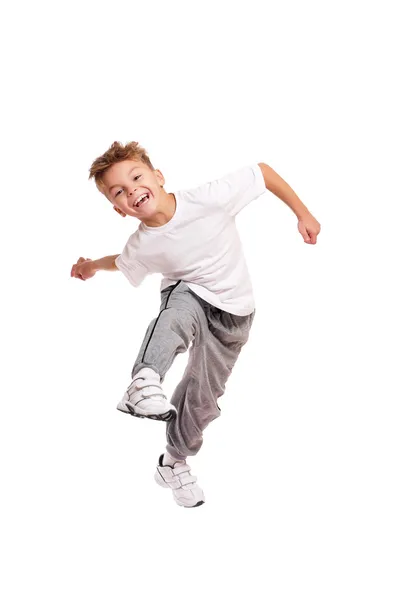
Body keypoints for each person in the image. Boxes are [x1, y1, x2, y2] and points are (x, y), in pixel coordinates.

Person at [70, 141, 321, 508]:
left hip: (235, 315)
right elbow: (120, 261)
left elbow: (262, 172)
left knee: (203, 400)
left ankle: (173, 462)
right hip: (191, 297)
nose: (132, 191)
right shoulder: (141, 245)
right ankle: (144, 381)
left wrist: (303, 213)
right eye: (119, 192)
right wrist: (89, 266)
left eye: (136, 177)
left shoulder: (207, 199)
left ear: (158, 177)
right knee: (175, 312)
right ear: (118, 209)